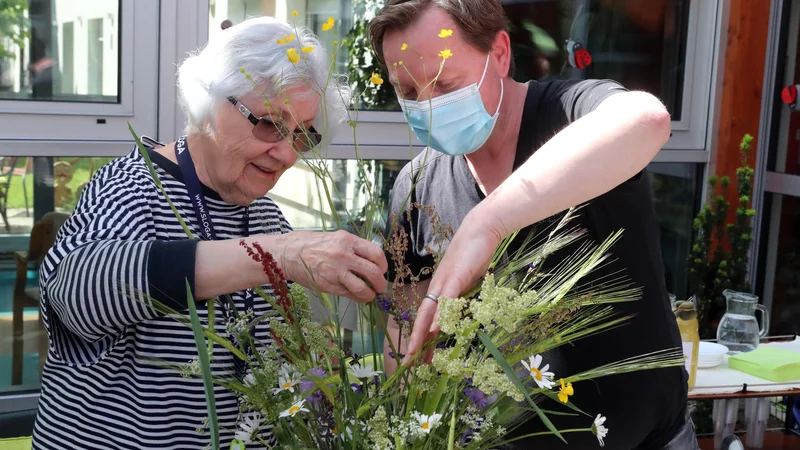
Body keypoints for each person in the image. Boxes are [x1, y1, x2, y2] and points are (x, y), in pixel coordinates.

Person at [32, 17, 387, 450]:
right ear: (209, 101)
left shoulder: (266, 218)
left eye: (302, 135)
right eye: (270, 124)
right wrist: (277, 256)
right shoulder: (133, 187)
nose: (287, 154)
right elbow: (77, 293)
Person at [369, 1, 698, 449]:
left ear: (500, 54)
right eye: (406, 92)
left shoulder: (569, 114)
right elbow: (407, 330)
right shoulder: (416, 187)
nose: (427, 107)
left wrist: (488, 223)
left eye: (444, 84)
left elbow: (646, 119)